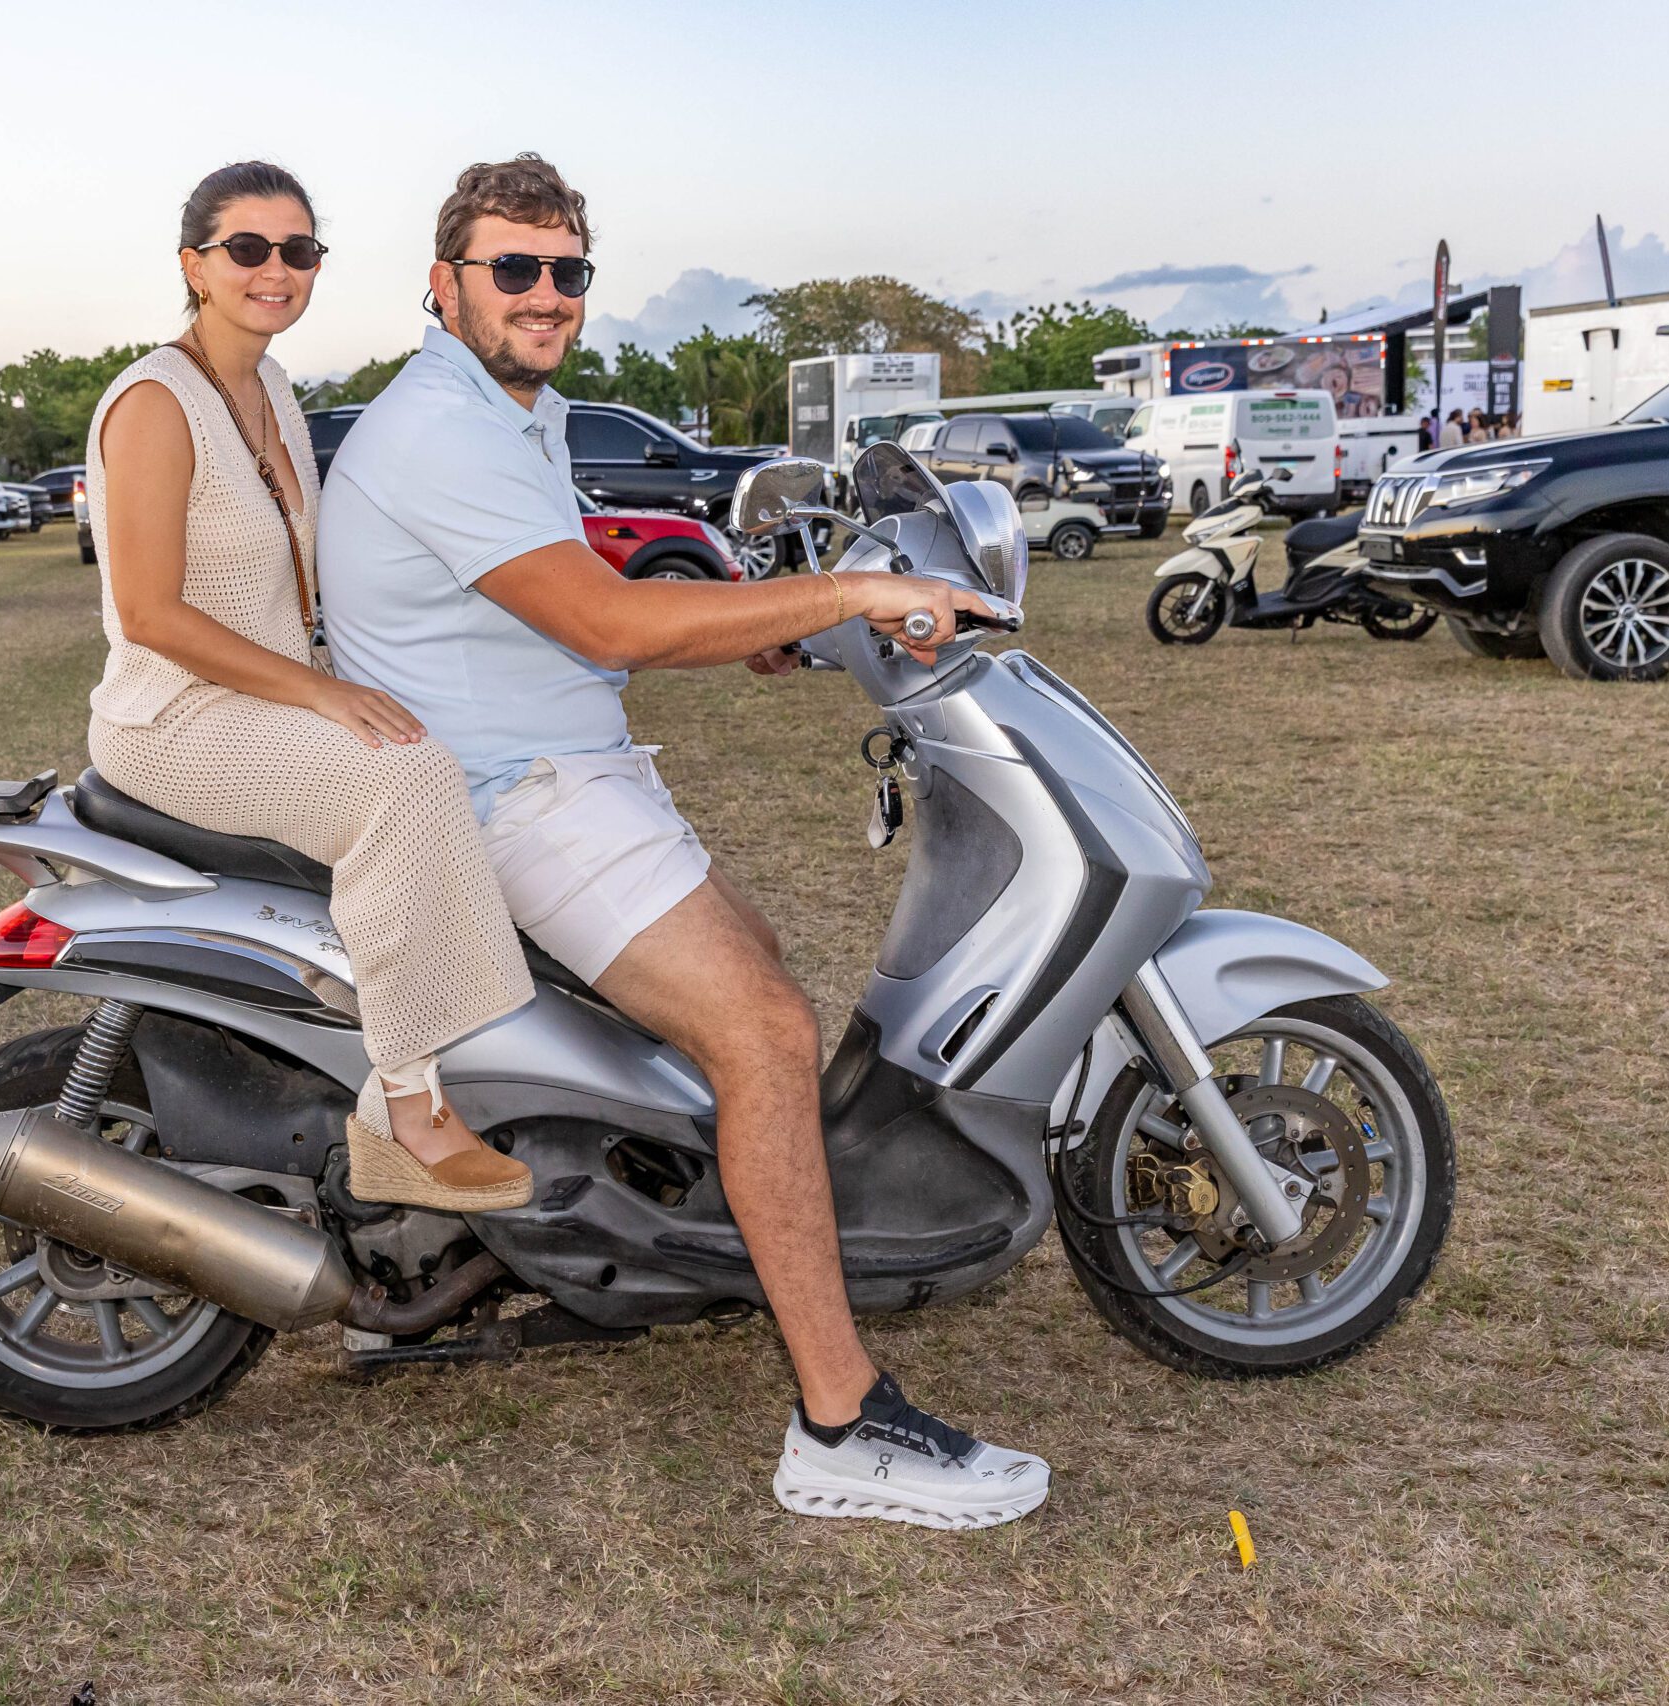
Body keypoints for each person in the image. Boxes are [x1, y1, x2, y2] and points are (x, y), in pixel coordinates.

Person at [317, 154, 1046, 1532]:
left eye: (566, 270)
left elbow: (570, 587)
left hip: (562, 762)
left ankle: (688, 1238)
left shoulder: (514, 410)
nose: (544, 296)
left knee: (757, 980)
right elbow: (609, 624)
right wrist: (856, 587)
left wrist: (760, 620)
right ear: (443, 283)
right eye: (512, 269)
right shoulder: (441, 430)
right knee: (766, 1028)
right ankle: (842, 1417)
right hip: (507, 792)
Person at [83, 161, 536, 1215]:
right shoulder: (158, 400)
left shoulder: (270, 387)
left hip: (262, 693)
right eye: (248, 248)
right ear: (195, 264)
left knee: (446, 741)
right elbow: (150, 613)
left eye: (299, 250)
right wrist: (318, 693)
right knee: (402, 773)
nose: (275, 270)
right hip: (171, 714)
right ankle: (406, 1107)